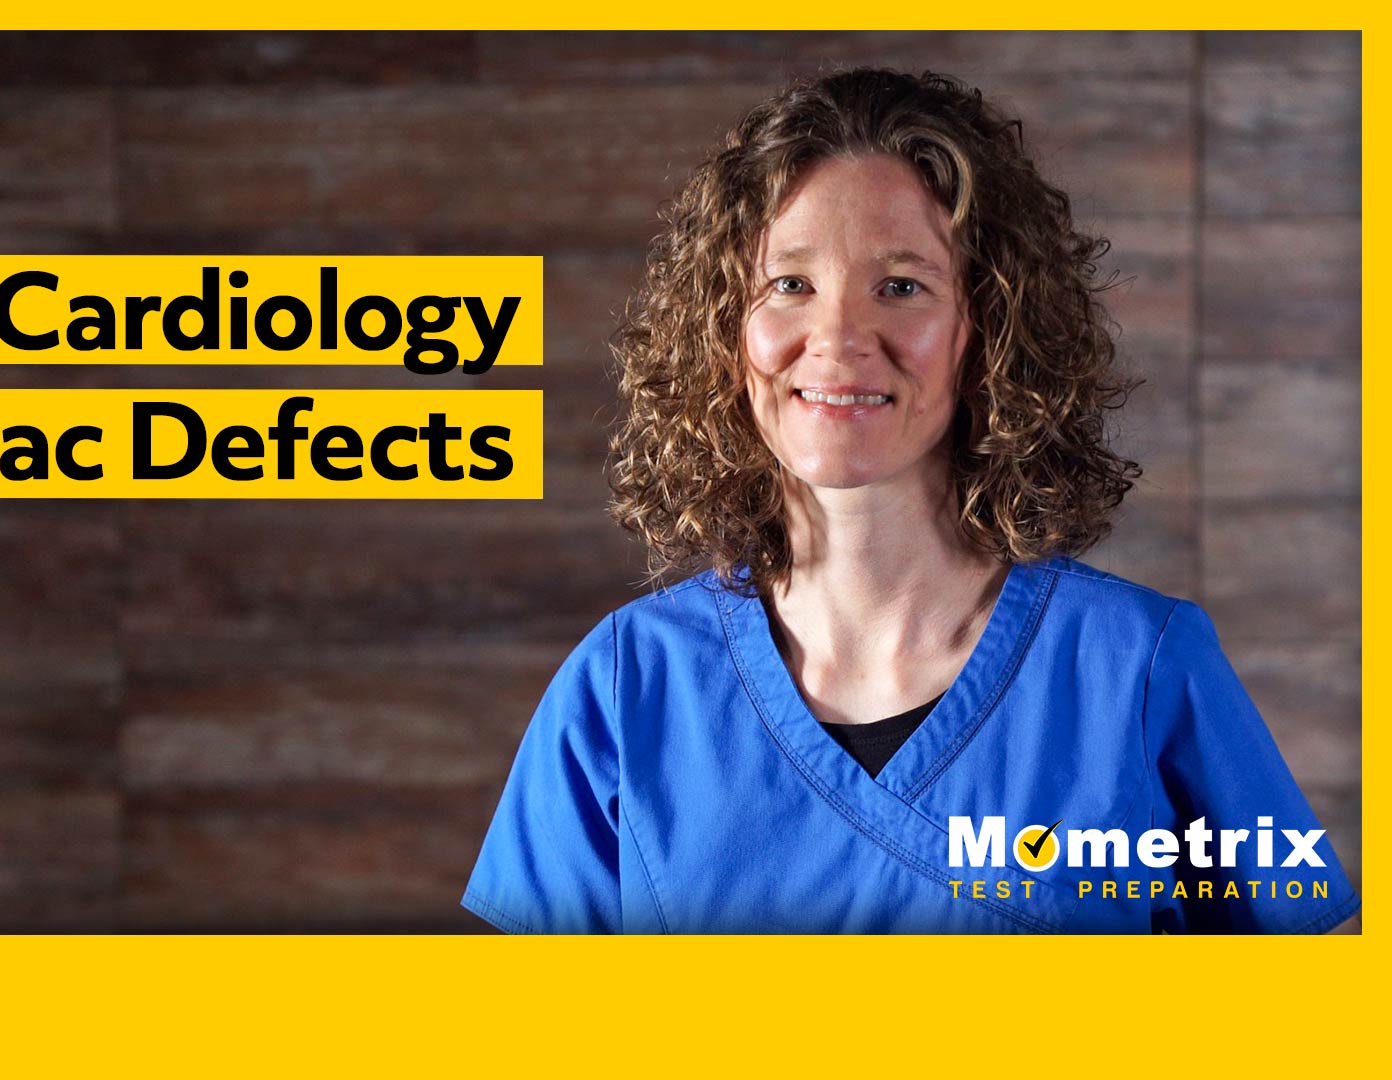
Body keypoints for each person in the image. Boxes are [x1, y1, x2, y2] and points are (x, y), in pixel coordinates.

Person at [462, 68, 1360, 934]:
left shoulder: (1140, 668)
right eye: (789, 284)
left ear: (990, 328)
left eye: (901, 286)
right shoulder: (626, 686)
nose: (840, 339)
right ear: (723, 329)